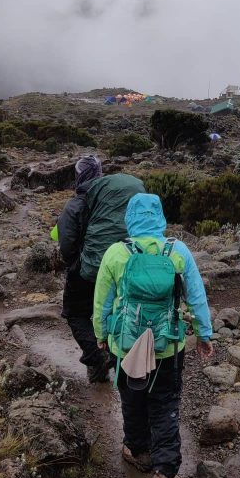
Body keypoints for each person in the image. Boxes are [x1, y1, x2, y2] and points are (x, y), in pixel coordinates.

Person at [93, 193, 213, 478]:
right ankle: (165, 467)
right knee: (165, 403)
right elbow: (196, 296)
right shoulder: (178, 250)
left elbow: (102, 302)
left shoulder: (116, 252)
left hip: (126, 344)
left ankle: (136, 448)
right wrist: (204, 334)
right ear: (159, 216)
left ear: (130, 218)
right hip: (168, 346)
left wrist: (101, 334)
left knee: (132, 398)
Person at [53, 157, 145, 382]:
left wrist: (75, 262)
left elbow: (66, 243)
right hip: (119, 266)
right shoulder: (115, 201)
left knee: (76, 314)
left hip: (87, 269)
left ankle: (97, 358)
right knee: (112, 311)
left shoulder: (76, 204)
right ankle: (113, 360)